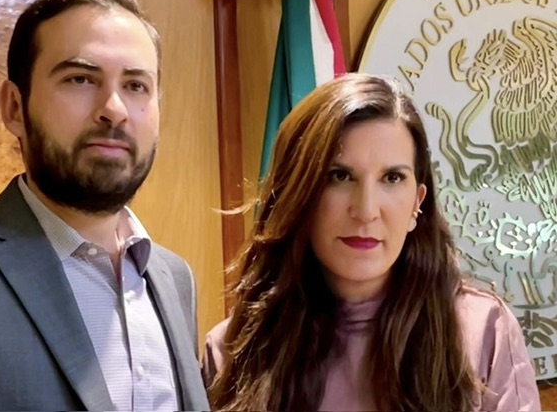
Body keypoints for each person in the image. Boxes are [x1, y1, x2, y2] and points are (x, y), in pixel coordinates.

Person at [0, 0, 209, 410]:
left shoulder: (175, 278)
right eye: (80, 79)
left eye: (136, 85)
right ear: (14, 108)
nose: (114, 109)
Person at [202, 73, 541, 411]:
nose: (366, 211)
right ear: (298, 194)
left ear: (417, 203)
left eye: (392, 178)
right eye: (339, 176)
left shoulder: (484, 331)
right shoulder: (232, 350)